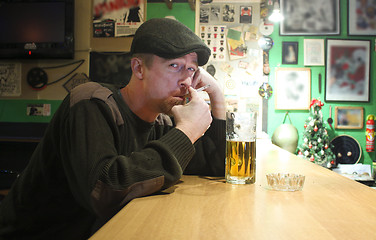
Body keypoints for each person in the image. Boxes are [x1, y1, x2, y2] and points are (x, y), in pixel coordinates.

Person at [0, 18, 225, 239]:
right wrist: (186, 131)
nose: (186, 80)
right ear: (139, 68)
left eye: (192, 70)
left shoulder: (159, 122)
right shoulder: (91, 102)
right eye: (174, 66)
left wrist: (217, 96)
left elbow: (217, 165)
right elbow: (104, 191)